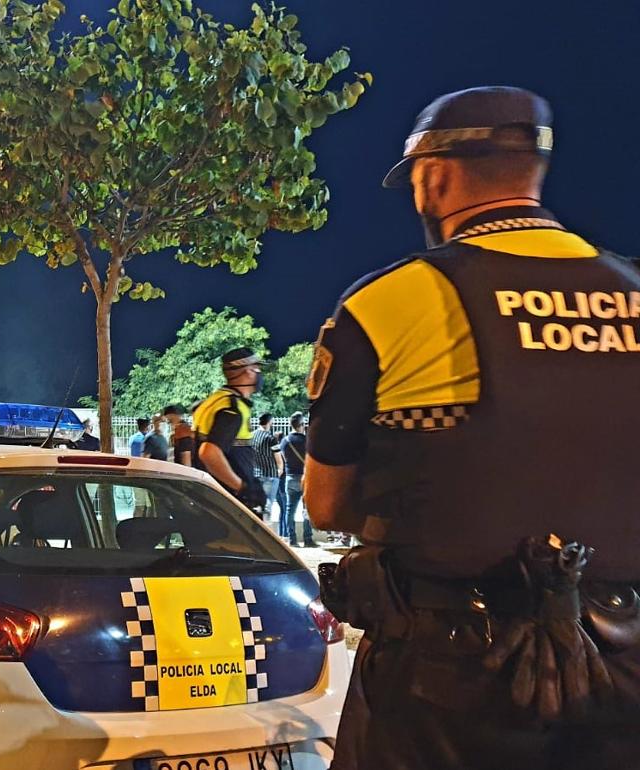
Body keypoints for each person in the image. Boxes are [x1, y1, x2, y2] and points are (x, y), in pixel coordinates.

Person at [304, 87, 640, 769]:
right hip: (624, 661)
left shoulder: (390, 301)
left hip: (446, 677)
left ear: (434, 176)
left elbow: (326, 504)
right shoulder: (633, 290)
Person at [191, 347, 266, 512]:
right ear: (248, 371)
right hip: (226, 503)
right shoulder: (232, 408)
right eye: (257, 367)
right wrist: (242, 488)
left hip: (207, 499)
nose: (259, 373)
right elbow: (208, 452)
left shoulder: (214, 401)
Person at [278, 412, 312, 547]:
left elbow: (282, 458)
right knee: (306, 510)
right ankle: (308, 539)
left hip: (290, 477)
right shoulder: (307, 441)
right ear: (302, 425)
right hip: (305, 478)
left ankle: (292, 539)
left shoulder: (284, 441)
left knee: (289, 510)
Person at [251, 413, 283, 524]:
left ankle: (257, 524)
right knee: (268, 503)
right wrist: (280, 470)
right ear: (269, 422)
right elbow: (278, 457)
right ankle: (266, 525)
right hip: (270, 474)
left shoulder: (252, 436)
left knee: (257, 503)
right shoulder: (270, 438)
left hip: (256, 473)